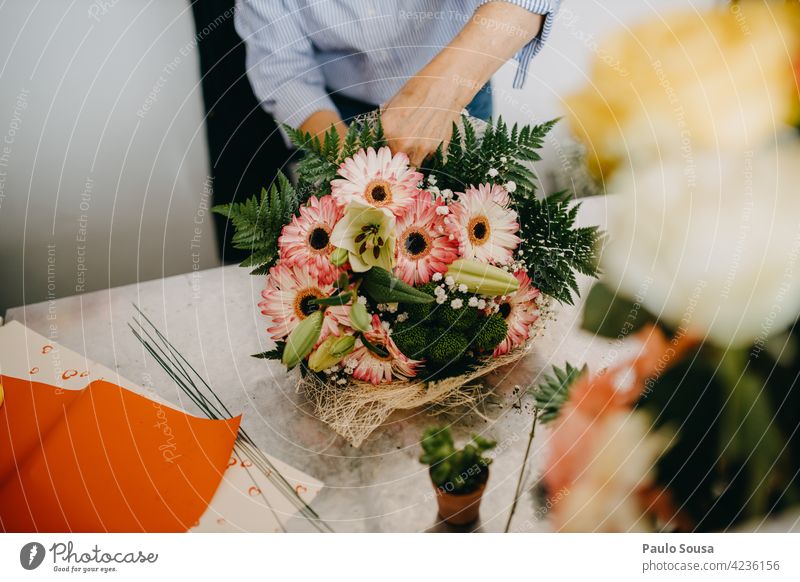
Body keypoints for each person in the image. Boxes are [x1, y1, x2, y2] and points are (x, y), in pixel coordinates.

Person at [235, 1, 559, 165]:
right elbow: (282, 68)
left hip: (462, 96)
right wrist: (355, 171)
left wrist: (441, 92)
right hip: (337, 114)